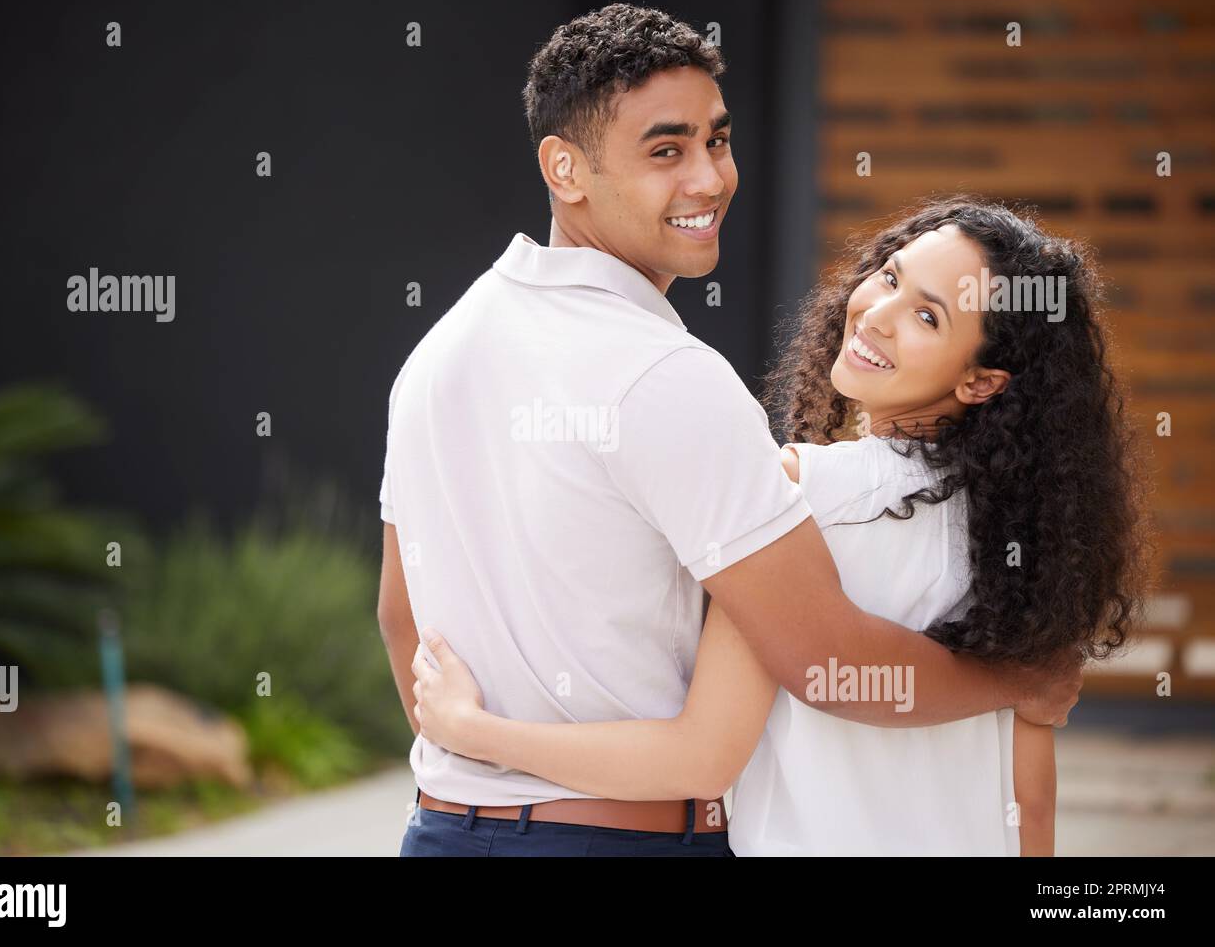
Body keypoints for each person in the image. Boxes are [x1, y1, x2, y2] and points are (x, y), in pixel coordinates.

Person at [377, 5, 1081, 858]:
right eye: (665, 151)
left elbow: (400, 620)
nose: (710, 179)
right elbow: (822, 661)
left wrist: (470, 753)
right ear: (565, 168)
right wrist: (1017, 678)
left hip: (441, 831)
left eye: (718, 139)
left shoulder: (436, 354)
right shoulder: (672, 380)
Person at [412, 197, 1153, 855]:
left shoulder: (798, 492)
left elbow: (701, 755)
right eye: (890, 277)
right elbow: (1032, 802)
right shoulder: (1037, 553)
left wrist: (476, 734)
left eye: (929, 316)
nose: (877, 313)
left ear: (982, 381)